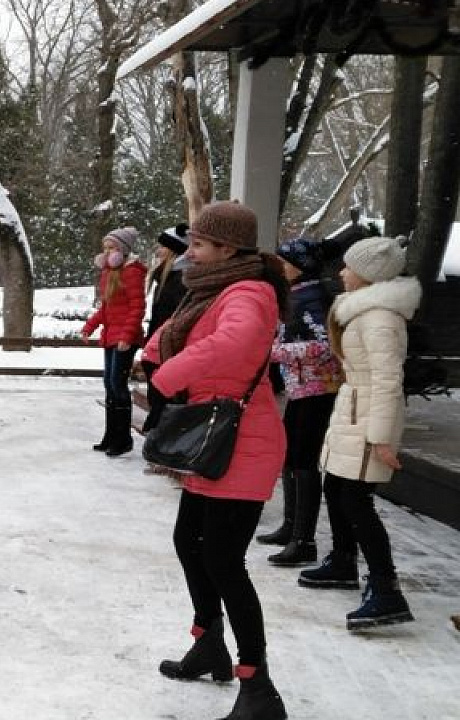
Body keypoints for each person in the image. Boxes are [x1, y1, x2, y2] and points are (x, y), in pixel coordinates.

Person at [143, 201, 289, 720]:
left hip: (241, 442)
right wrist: (151, 354)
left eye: (200, 244)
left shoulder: (250, 292)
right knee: (190, 542)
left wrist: (168, 376)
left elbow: (235, 341)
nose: (191, 252)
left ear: (227, 248)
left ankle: (258, 686)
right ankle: (209, 643)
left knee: (225, 562)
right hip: (212, 438)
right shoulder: (212, 289)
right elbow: (179, 332)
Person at [299, 236, 420, 631]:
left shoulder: (380, 318)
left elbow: (388, 381)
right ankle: (343, 560)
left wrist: (381, 437)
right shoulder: (361, 311)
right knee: (336, 487)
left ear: (369, 274)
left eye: (349, 267)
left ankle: (386, 589)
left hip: (369, 416)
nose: (341, 272)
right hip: (353, 409)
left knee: (356, 500)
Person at [257, 238, 342, 567]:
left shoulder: (314, 297)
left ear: (300, 266)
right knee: (290, 456)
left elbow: (326, 346)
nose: (279, 267)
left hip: (318, 388)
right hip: (300, 388)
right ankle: (291, 527)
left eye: (284, 262)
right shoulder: (296, 294)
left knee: (303, 460)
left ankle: (304, 539)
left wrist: (276, 352)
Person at [82, 226, 147, 457]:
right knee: (109, 385)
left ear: (124, 250)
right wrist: (90, 326)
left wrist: (127, 337)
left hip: (124, 338)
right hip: (111, 336)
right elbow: (106, 307)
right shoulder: (109, 273)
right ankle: (110, 435)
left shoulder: (132, 272)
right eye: (106, 247)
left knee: (118, 385)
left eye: (112, 247)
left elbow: (137, 308)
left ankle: (123, 438)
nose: (108, 252)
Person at [141, 224, 189, 441]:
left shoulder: (181, 278)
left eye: (163, 247)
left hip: (168, 343)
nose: (158, 251)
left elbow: (175, 315)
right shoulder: (165, 275)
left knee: (164, 391)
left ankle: (163, 435)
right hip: (158, 340)